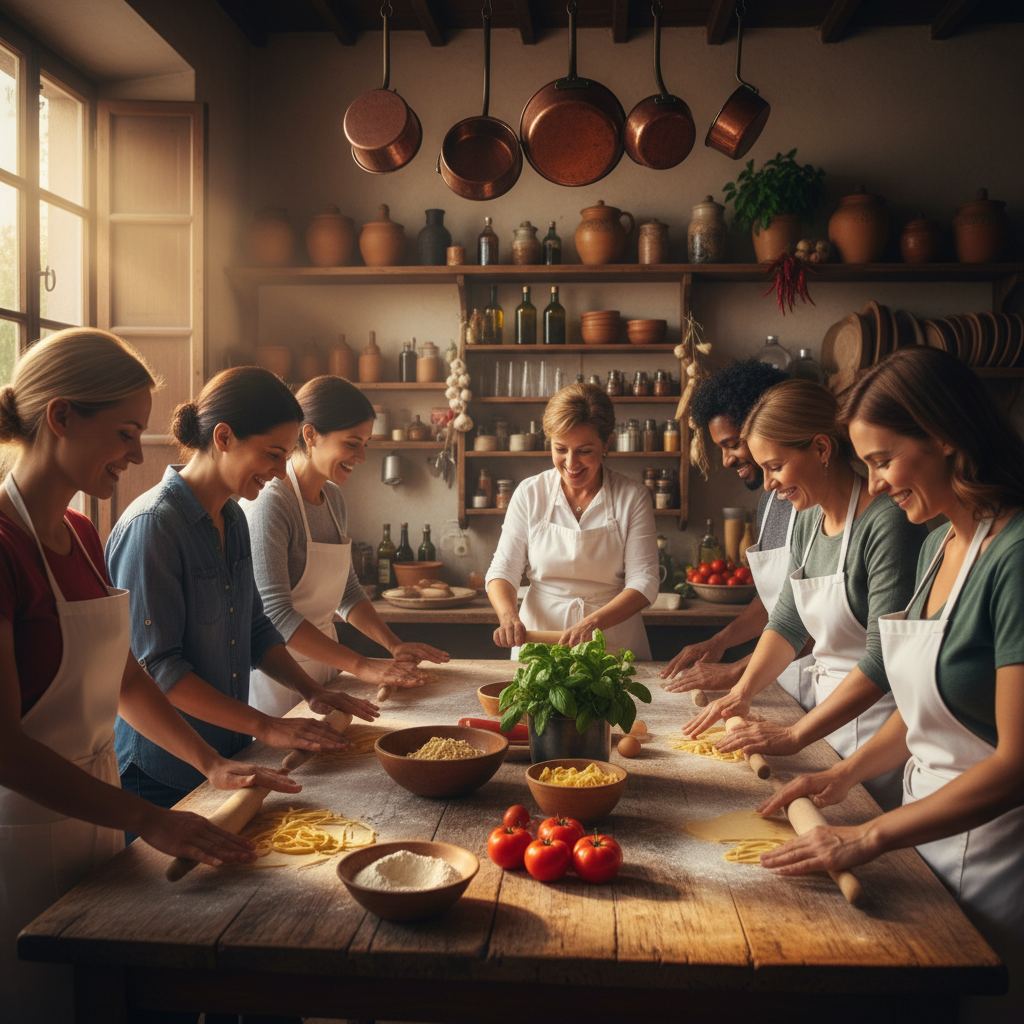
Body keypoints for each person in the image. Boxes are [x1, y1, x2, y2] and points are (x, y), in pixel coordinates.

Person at [0, 331, 304, 1022]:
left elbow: (126, 677)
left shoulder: (78, 534)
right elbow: (5, 750)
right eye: (125, 433)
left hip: (102, 824)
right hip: (24, 837)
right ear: (60, 417)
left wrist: (208, 766)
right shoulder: (4, 545)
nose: (140, 453)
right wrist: (149, 816)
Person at [758, 348, 1024, 1023]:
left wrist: (866, 839)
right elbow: (923, 707)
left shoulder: (1016, 557)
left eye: (882, 459)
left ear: (945, 437)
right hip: (922, 840)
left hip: (995, 863)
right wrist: (841, 778)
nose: (875, 484)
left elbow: (1015, 765)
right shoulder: (942, 544)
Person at [107, 366, 379, 817]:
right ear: (224, 437)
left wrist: (311, 691)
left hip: (227, 754)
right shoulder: (154, 526)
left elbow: (254, 627)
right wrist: (265, 726)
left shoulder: (232, 518)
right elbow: (159, 670)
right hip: (161, 772)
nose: (278, 471)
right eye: (272, 454)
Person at [685, 378, 927, 810]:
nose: (769, 484)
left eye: (775, 466)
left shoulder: (886, 525)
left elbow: (882, 659)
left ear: (821, 449)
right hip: (822, 727)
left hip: (872, 734)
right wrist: (742, 692)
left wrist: (796, 734)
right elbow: (788, 622)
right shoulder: (808, 520)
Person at [242, 375, 449, 716]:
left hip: (327, 668)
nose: (362, 456)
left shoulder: (334, 498)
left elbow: (348, 593)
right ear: (310, 435)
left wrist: (393, 645)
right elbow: (275, 616)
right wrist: (363, 665)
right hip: (279, 680)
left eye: (365, 443)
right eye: (352, 444)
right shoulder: (271, 503)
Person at [660, 359, 814, 709]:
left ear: (764, 426)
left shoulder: (814, 505)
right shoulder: (770, 502)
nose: (727, 459)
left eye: (732, 444)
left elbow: (821, 622)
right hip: (783, 683)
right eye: (721, 449)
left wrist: (735, 673)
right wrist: (721, 641)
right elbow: (776, 600)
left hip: (822, 682)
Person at [486, 382, 659, 659]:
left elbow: (645, 581)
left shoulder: (633, 496)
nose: (571, 462)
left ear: (606, 444)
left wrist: (593, 623)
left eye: (584, 450)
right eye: (560, 449)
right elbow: (503, 569)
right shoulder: (530, 493)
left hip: (611, 639)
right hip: (539, 638)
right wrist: (508, 615)